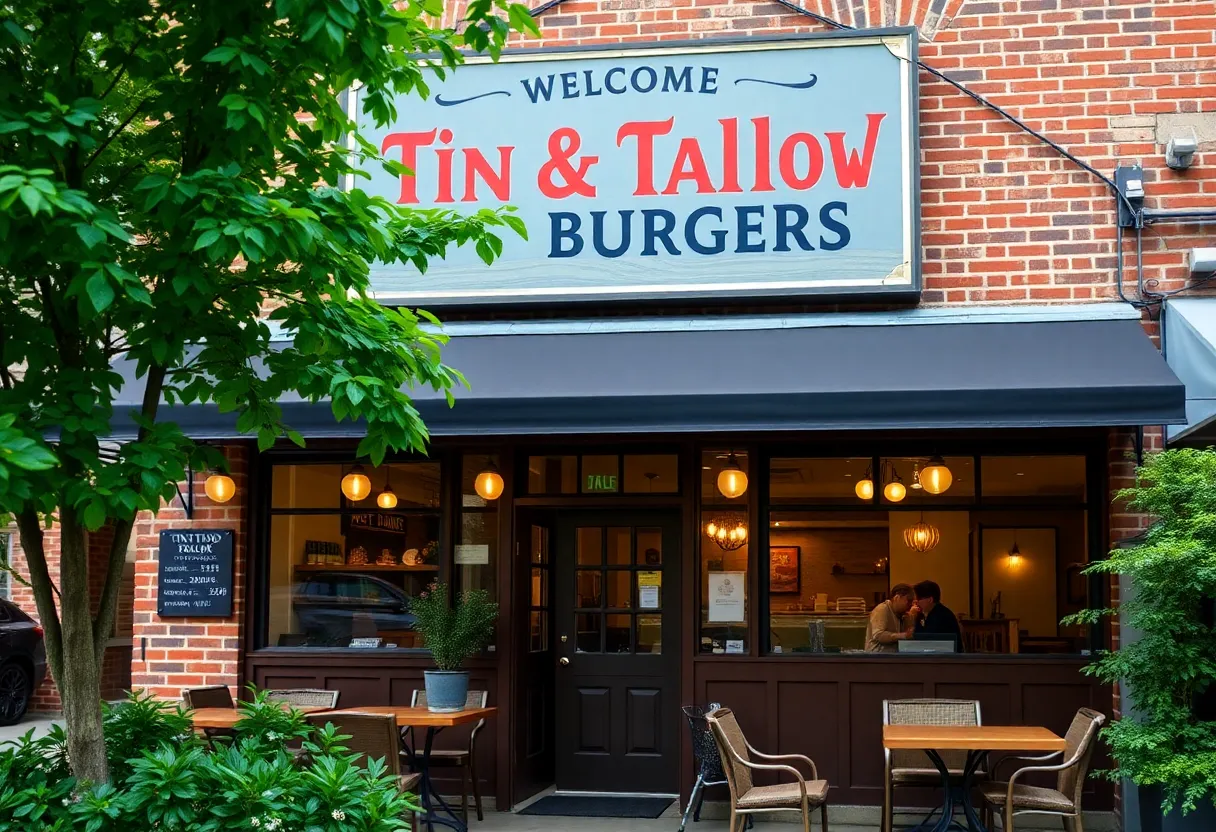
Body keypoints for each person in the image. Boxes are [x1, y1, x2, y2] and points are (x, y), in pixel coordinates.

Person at [911, 579, 963, 651]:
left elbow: (928, 639)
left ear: (930, 599)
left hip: (946, 657)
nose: (916, 603)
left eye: (918, 599)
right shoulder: (921, 614)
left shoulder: (943, 616)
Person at [865, 584, 916, 652]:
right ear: (897, 597)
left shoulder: (905, 615)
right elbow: (878, 635)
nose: (910, 604)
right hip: (878, 656)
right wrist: (903, 636)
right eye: (908, 601)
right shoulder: (882, 609)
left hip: (896, 657)